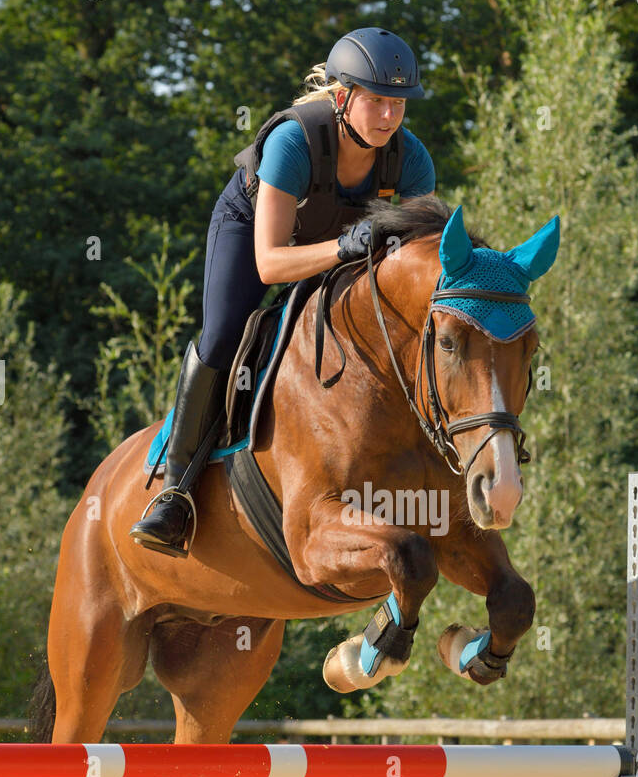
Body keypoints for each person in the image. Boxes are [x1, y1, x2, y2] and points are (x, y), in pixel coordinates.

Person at [130, 27, 435, 557]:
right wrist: (344, 247)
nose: (390, 117)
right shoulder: (293, 141)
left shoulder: (411, 159)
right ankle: (174, 490)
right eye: (378, 102)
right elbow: (270, 265)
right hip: (256, 233)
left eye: (399, 105)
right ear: (342, 98)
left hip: (341, 244)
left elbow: (418, 266)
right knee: (226, 333)